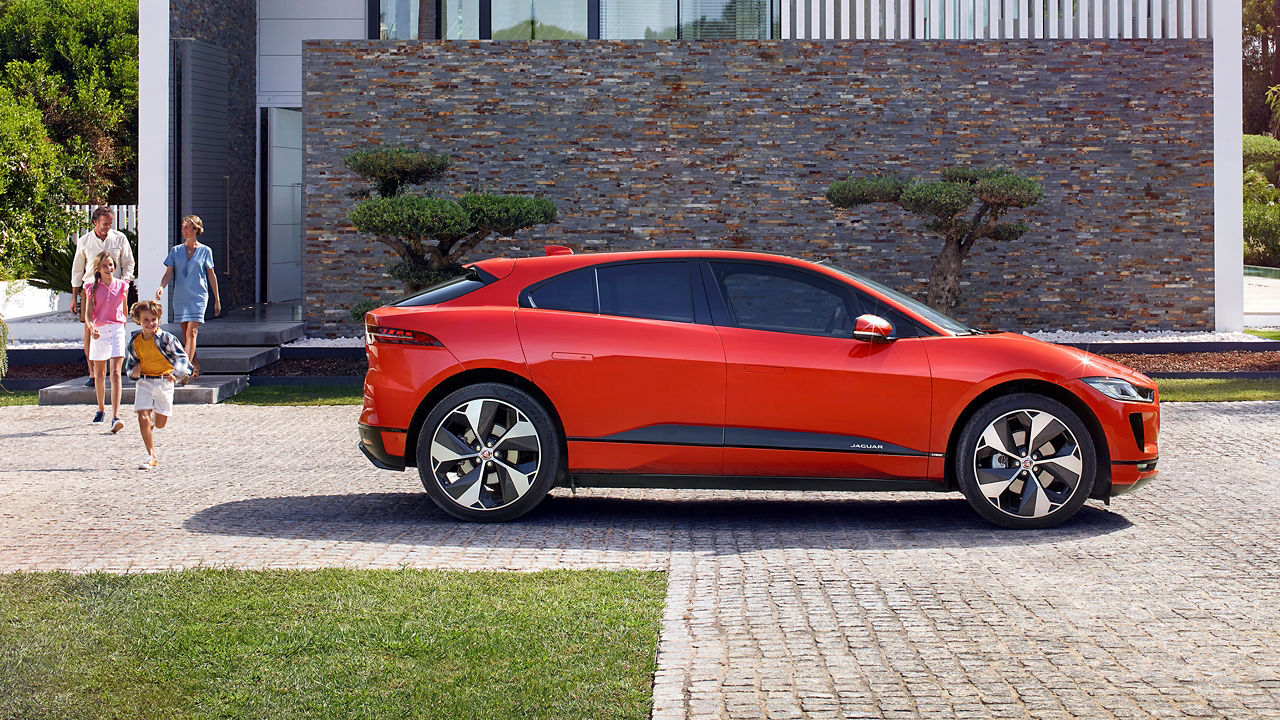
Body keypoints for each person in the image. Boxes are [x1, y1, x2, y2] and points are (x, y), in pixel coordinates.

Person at [71, 206, 135, 387]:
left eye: (110, 224)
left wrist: (125, 283)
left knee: (117, 327)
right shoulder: (85, 241)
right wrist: (75, 295)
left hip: (115, 290)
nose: (108, 227)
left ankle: (115, 371)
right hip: (90, 289)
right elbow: (77, 268)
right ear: (95, 223)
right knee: (90, 331)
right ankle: (93, 374)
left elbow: (128, 262)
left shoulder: (119, 238)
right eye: (104, 224)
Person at [124, 299, 191, 469]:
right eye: (145, 320)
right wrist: (134, 373)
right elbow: (129, 366)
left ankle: (153, 420)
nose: (150, 323)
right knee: (142, 416)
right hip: (145, 382)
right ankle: (151, 456)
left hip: (164, 382)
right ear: (138, 321)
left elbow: (182, 358)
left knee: (160, 424)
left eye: (153, 319)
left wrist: (177, 373)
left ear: (158, 320)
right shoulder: (134, 342)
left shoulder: (167, 338)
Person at [155, 214, 220, 380]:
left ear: (195, 229)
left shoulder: (206, 251)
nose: (183, 230)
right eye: (183, 226)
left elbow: (212, 276)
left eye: (186, 227)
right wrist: (161, 287)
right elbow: (168, 273)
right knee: (187, 335)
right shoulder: (176, 251)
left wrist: (217, 299)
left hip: (199, 296)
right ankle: (195, 365)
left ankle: (183, 370)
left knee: (192, 334)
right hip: (181, 297)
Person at [84, 252, 130, 432]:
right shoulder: (91, 288)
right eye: (105, 265)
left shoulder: (122, 286)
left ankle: (116, 415)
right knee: (100, 373)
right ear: (98, 268)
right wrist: (91, 328)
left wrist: (122, 325)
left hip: (117, 329)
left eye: (111, 265)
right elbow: (88, 314)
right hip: (99, 331)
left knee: (117, 372)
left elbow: (125, 310)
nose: (109, 268)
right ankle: (101, 409)